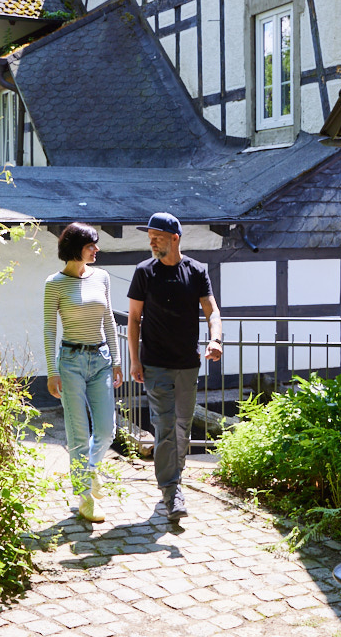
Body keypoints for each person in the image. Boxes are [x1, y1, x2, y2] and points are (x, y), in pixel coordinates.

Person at [126, 211, 223, 521]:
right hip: (155, 364)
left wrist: (215, 339)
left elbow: (212, 311)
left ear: (175, 238)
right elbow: (133, 319)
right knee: (165, 426)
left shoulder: (196, 271)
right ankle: (171, 491)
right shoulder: (144, 272)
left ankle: (175, 478)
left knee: (182, 426)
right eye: (150, 238)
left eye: (157, 237)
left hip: (187, 365)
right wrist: (134, 359)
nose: (152, 242)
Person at [43, 222, 121, 523]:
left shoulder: (101, 277)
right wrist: (52, 371)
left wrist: (116, 361)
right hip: (70, 362)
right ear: (76, 249)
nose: (97, 249)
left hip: (100, 360)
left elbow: (109, 320)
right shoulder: (54, 284)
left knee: (106, 430)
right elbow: (49, 330)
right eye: (91, 245)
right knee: (79, 433)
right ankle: (85, 498)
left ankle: (89, 470)